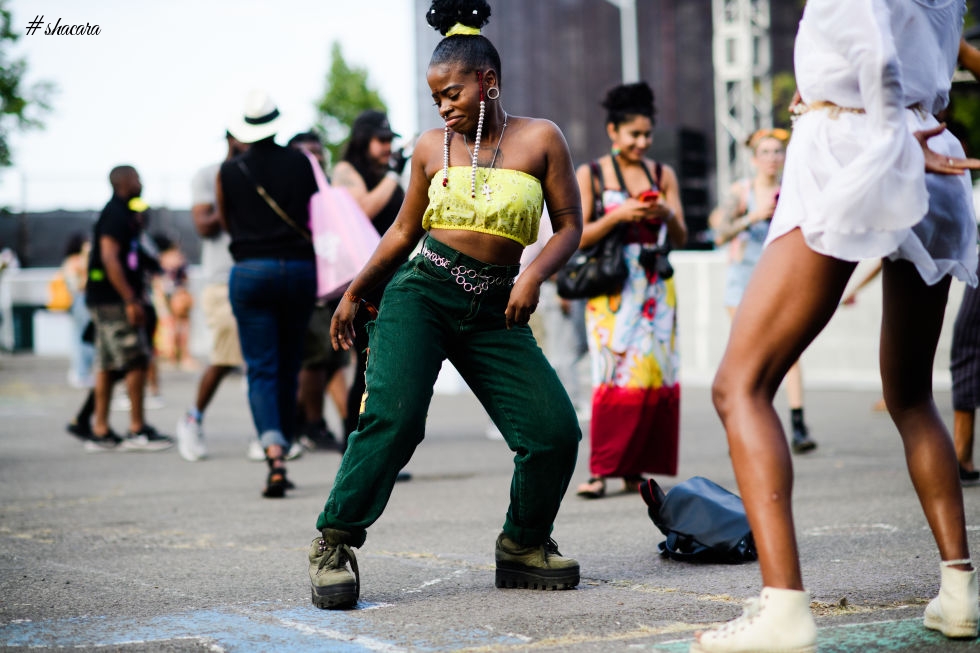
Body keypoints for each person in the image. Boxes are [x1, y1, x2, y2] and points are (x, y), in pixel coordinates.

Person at [697, 2, 980, 651]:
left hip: (859, 150)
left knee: (739, 385)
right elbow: (909, 57)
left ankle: (784, 608)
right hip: (929, 147)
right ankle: (959, 590)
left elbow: (876, 49)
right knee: (910, 393)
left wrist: (883, 134)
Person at [308, 0, 584, 610]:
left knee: (553, 432)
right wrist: (356, 292)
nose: (444, 106)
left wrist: (534, 274)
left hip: (496, 309)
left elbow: (568, 224)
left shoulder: (541, 139)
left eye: (453, 92)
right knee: (397, 419)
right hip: (421, 294)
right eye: (436, 97)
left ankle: (522, 545)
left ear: (488, 81)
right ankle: (334, 541)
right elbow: (404, 232)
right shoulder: (432, 148)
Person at [572, 82, 687, 500]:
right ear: (613, 131)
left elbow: (682, 234)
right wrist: (621, 214)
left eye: (647, 134)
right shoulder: (593, 173)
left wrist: (666, 212)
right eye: (634, 134)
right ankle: (602, 469)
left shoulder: (663, 174)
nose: (642, 142)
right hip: (614, 290)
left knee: (654, 374)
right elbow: (580, 235)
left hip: (658, 287)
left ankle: (635, 468)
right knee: (613, 372)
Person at [217, 90, 318, 498]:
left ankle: (273, 451)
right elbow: (317, 214)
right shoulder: (301, 162)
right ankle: (287, 440)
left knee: (260, 367)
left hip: (250, 271)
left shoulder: (229, 171)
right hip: (297, 269)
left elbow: (227, 224)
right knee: (289, 362)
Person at [709, 128, 816, 454]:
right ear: (754, 159)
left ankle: (798, 425)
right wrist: (752, 217)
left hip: (780, 279)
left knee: (790, 351)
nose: (772, 158)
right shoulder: (741, 192)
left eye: (777, 152)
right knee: (746, 352)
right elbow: (720, 234)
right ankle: (742, 423)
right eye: (766, 152)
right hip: (744, 279)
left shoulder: (792, 191)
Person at [330, 109, 409, 446]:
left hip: (395, 282)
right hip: (362, 284)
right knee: (366, 369)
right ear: (363, 140)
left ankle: (379, 445)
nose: (387, 147)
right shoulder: (346, 170)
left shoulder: (388, 174)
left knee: (388, 370)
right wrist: (393, 175)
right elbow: (363, 210)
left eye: (391, 140)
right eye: (381, 140)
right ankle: (356, 445)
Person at [82, 165, 173, 453]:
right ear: (124, 182)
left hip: (107, 299)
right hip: (115, 300)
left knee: (108, 363)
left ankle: (101, 429)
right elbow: (110, 259)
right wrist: (131, 299)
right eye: (137, 178)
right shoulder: (115, 215)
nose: (141, 183)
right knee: (136, 359)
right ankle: (136, 429)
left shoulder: (124, 214)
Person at [174, 132, 249, 462]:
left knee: (267, 361)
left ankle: (270, 436)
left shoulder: (262, 172)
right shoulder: (209, 175)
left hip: (261, 275)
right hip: (223, 280)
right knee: (224, 357)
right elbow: (204, 226)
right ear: (232, 139)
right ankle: (192, 419)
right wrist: (231, 195)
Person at [286, 130, 351, 452]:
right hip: (306, 284)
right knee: (313, 358)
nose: (316, 158)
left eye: (319, 152)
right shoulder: (293, 193)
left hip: (331, 283)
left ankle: (320, 421)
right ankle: (309, 423)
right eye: (307, 152)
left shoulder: (327, 191)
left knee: (331, 358)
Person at [60, 233, 95, 389]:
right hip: (80, 300)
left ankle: (80, 372)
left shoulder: (69, 262)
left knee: (78, 338)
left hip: (76, 302)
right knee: (83, 339)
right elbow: (81, 285)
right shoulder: (76, 262)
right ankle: (80, 373)